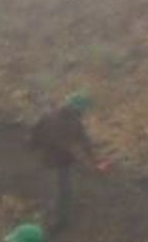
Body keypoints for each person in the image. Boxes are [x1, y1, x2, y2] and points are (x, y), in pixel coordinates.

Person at [26, 91, 103, 227]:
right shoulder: (67, 120)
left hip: (53, 161)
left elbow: (35, 136)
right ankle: (53, 222)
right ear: (77, 109)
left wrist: (93, 159)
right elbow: (75, 142)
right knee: (59, 192)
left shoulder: (53, 117)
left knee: (60, 192)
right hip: (56, 162)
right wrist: (89, 159)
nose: (82, 114)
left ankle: (58, 220)